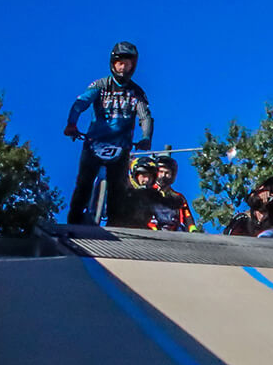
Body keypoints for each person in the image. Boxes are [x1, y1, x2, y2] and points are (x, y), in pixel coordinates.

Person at [64, 40, 154, 225]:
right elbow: (80, 103)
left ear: (133, 66)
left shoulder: (137, 92)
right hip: (94, 142)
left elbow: (145, 117)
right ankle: (73, 222)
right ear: (112, 64)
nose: (123, 68)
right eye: (120, 63)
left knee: (118, 189)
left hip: (120, 146)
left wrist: (146, 137)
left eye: (127, 64)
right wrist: (71, 124)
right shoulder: (100, 85)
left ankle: (115, 225)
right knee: (83, 183)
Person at [144, 154, 199, 232]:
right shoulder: (146, 194)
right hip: (150, 233)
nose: (163, 176)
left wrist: (193, 230)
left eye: (167, 173)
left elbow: (187, 217)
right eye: (161, 172)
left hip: (173, 236)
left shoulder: (178, 197)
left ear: (172, 175)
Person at [109, 155, 158, 229]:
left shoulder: (154, 196)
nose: (147, 180)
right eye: (144, 175)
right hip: (118, 230)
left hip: (141, 233)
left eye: (150, 177)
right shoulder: (121, 188)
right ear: (135, 174)